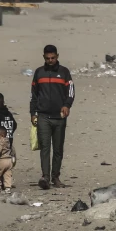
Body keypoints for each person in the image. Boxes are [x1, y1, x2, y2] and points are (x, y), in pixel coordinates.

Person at [30, 44, 75, 189]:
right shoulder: (39, 73)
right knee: (44, 148)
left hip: (59, 117)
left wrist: (67, 105)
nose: (50, 60)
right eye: (48, 58)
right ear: (44, 57)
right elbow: (34, 95)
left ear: (57, 56)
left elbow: (71, 92)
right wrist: (33, 113)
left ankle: (56, 177)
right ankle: (45, 177)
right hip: (43, 116)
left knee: (58, 149)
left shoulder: (64, 72)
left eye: (53, 58)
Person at [0, 92, 16, 174]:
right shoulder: (9, 114)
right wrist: (9, 132)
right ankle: (7, 183)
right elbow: (14, 124)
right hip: (9, 143)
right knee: (8, 164)